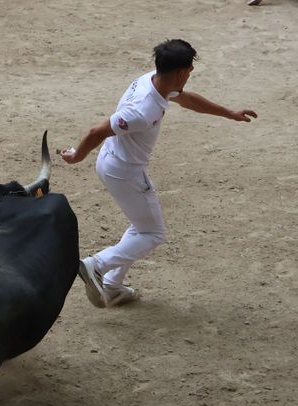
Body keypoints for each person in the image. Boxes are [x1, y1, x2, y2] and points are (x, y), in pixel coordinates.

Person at [59, 39, 257, 309]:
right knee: (153, 234)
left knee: (140, 226)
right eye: (189, 70)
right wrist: (76, 156)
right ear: (179, 72)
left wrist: (229, 113)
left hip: (113, 162)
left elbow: (186, 99)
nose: (190, 74)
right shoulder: (142, 110)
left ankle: (113, 286)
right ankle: (97, 265)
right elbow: (97, 131)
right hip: (125, 172)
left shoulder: (154, 81)